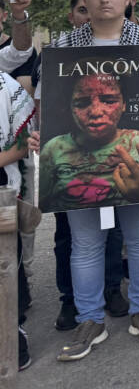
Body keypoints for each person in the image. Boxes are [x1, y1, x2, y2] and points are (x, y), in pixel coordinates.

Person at [35, 0, 139, 360]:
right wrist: (41, 131)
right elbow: (46, 103)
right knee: (84, 244)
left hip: (135, 160)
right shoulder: (64, 49)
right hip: (76, 163)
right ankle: (90, 319)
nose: (104, 0)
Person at [48, 0, 129, 331]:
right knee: (70, 235)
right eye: (83, 9)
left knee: (111, 229)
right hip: (71, 164)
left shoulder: (124, 53)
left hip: (110, 161)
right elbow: (47, 104)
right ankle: (71, 300)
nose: (90, 13)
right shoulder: (58, 56)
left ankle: (111, 288)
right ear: (74, 17)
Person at [38, 72, 139, 211]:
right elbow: (43, 204)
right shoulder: (54, 148)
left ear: (124, 104)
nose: (96, 112)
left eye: (109, 101)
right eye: (82, 103)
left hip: (134, 218)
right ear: (69, 107)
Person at [1, 68, 35, 370]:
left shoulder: (6, 85)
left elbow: (25, 144)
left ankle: (14, 336)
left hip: (3, 190)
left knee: (6, 265)